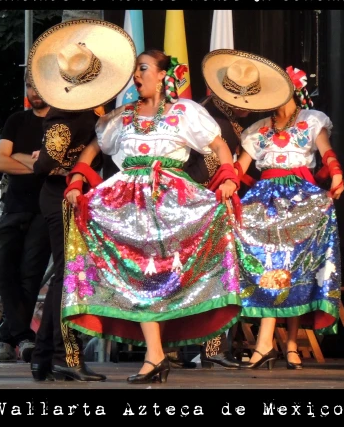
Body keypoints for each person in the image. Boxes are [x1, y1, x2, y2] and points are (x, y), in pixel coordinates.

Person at [61, 46, 244, 384]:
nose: (137, 75)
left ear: (162, 74)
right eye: (135, 69)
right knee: (139, 278)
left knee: (160, 279)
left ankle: (158, 355)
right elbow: (93, 149)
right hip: (126, 204)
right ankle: (154, 355)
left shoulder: (183, 112)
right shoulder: (121, 117)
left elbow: (218, 146)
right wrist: (76, 179)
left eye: (143, 68)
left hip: (171, 204)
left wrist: (229, 176)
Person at [202, 50, 343, 370]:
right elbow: (239, 169)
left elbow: (327, 153)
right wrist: (225, 183)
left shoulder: (311, 120)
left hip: (300, 199)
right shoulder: (257, 130)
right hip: (265, 200)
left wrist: (336, 174)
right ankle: (274, 343)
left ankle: (283, 344)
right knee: (268, 259)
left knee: (294, 264)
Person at [26, 19, 125, 382]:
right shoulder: (66, 118)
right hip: (63, 198)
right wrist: (45, 162)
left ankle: (45, 357)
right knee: (70, 277)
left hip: (72, 197)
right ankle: (62, 355)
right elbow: (47, 165)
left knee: (65, 277)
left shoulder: (84, 112)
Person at [183, 92, 268, 370]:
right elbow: (205, 167)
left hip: (206, 203)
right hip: (204, 204)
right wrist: (219, 186)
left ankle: (203, 348)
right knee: (214, 275)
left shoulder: (225, 117)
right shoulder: (214, 120)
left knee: (208, 275)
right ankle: (209, 348)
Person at [0, 73, 52, 363]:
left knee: (30, 277)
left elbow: (57, 167)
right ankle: (23, 337)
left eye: (38, 85)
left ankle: (9, 340)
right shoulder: (17, 120)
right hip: (13, 207)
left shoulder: (60, 125)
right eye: (29, 85)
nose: (33, 92)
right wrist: (38, 164)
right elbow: (0, 162)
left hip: (44, 209)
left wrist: (22, 158)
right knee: (1, 269)